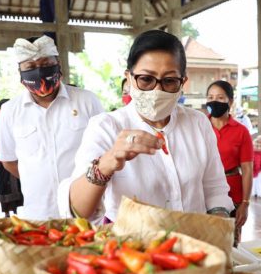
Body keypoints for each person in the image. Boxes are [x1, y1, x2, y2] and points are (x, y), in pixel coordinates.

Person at [59, 30, 233, 222]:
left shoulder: (197, 123)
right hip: (132, 241)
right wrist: (107, 163)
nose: (157, 90)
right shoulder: (106, 127)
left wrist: (221, 224)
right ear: (129, 78)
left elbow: (214, 188)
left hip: (195, 239)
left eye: (169, 81)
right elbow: (78, 211)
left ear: (183, 82)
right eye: (146, 79)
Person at [0, 35, 104, 220]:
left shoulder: (87, 101)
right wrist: (37, 180)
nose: (39, 72)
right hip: (39, 212)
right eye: (30, 67)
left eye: (46, 64)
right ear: (20, 71)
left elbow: (105, 151)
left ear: (58, 63)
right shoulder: (9, 111)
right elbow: (9, 161)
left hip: (87, 210)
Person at [206, 80, 254, 245]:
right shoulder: (200, 127)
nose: (214, 101)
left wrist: (245, 203)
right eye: (210, 97)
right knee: (206, 242)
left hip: (233, 193)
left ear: (230, 101)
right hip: (204, 192)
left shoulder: (241, 131)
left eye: (220, 98)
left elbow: (247, 169)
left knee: (230, 243)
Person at [0, 98, 23, 216]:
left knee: (19, 184)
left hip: (18, 156)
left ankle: (19, 209)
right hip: (0, 158)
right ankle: (6, 211)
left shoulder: (16, 117)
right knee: (3, 184)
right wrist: (5, 150)